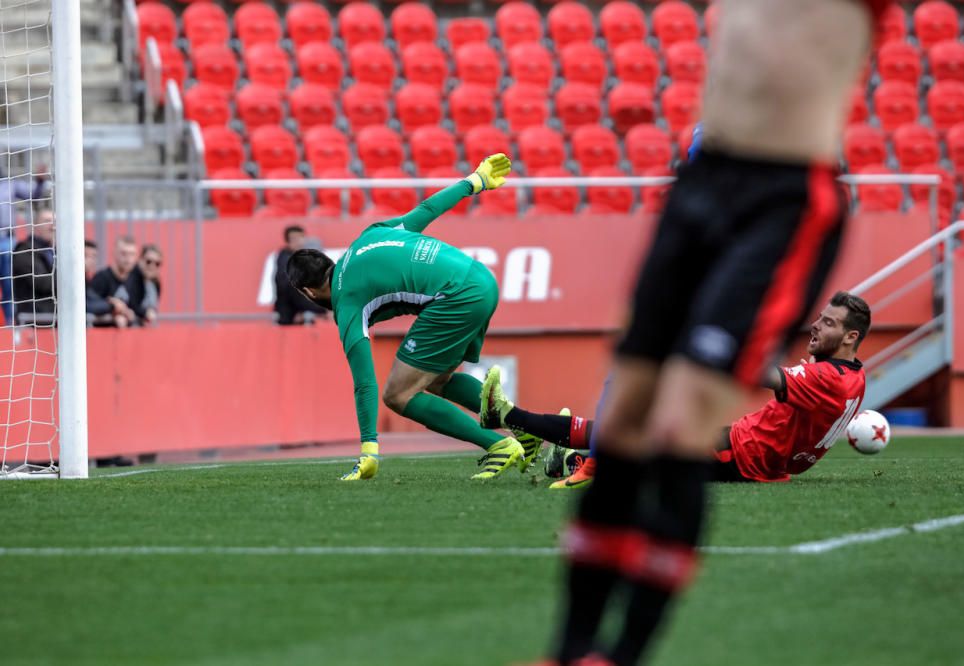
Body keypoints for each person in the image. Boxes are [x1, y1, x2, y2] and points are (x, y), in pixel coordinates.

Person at [527, 1, 894, 663]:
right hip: (701, 180)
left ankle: (623, 654)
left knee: (681, 425)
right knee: (627, 422)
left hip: (780, 193)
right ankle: (569, 650)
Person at [285, 154, 546, 481]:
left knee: (398, 394)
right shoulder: (370, 234)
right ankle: (526, 430)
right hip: (481, 278)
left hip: (456, 296)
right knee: (436, 380)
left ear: (307, 292)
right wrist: (474, 182)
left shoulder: (346, 300)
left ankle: (499, 446)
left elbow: (365, 381)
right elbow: (426, 211)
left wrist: (369, 448)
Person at [482, 292, 871, 486]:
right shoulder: (855, 375)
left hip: (742, 457)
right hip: (742, 443)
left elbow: (758, 373)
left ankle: (511, 419)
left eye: (829, 323)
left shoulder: (826, 379)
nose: (817, 326)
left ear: (851, 336)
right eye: (820, 319)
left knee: (631, 444)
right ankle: (561, 456)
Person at [0, 166, 47, 325]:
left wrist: (40, 181)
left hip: (6, 239)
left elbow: (33, 195)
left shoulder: (10, 184)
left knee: (9, 285)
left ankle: (10, 323)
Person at [274, 225, 328, 325]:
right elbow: (293, 289)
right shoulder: (287, 262)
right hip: (290, 319)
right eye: (295, 238)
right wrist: (321, 309)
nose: (299, 241)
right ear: (288, 241)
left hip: (298, 315)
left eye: (301, 237)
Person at [11, 206, 56, 325]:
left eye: (54, 222)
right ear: (35, 225)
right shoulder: (24, 251)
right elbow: (42, 283)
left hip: (55, 316)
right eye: (47, 221)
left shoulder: (57, 252)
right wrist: (71, 276)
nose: (52, 226)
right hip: (33, 319)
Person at [89, 235, 147, 327]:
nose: (128, 259)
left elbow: (138, 309)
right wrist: (112, 316)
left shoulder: (137, 280)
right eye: (124, 253)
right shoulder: (102, 278)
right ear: (115, 253)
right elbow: (89, 309)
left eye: (132, 254)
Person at [138, 243, 163, 326]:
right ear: (140, 260)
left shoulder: (156, 284)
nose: (152, 266)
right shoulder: (131, 280)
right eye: (148, 262)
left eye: (157, 263)